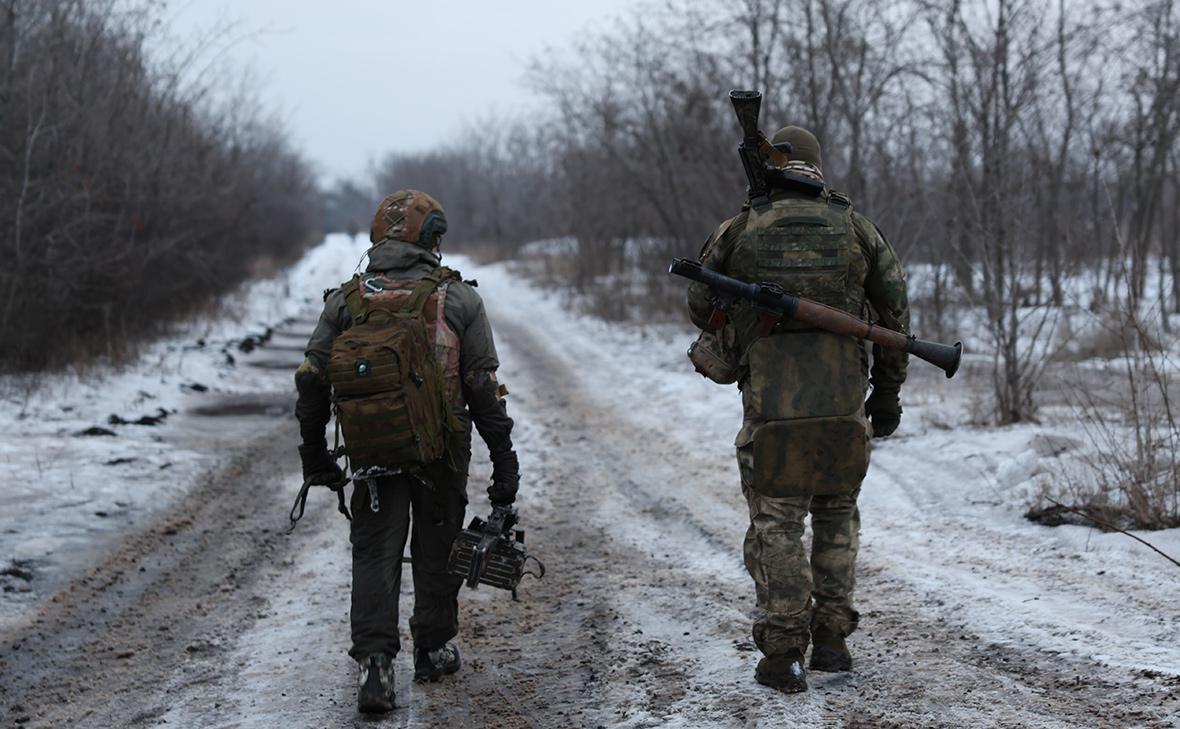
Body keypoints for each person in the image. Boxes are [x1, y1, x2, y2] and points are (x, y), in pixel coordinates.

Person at [686, 127, 909, 693]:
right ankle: (832, 640)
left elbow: (698, 303)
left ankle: (784, 652)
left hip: (772, 408)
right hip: (842, 405)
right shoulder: (855, 226)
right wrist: (885, 397)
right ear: (816, 167)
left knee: (777, 523)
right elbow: (895, 316)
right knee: (836, 517)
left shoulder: (741, 226)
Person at [294, 190, 520, 713]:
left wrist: (314, 454)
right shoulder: (459, 300)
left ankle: (375, 669)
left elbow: (310, 378)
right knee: (438, 548)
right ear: (431, 239)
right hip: (442, 452)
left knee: (374, 551)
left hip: (373, 450)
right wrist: (504, 466)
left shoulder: (346, 301)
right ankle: (433, 649)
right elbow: (484, 388)